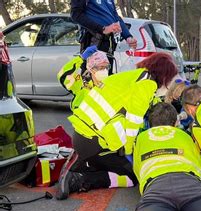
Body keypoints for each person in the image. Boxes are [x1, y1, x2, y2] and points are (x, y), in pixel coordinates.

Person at [55, 52, 178, 200]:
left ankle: (83, 163)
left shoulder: (134, 77)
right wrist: (129, 150)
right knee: (131, 176)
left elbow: (148, 102)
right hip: (96, 142)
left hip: (83, 136)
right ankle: (80, 179)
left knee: (116, 162)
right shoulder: (147, 84)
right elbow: (133, 121)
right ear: (164, 75)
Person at [71, 0, 137, 74]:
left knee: (106, 79)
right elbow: (76, 15)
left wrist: (128, 36)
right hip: (94, 42)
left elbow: (116, 17)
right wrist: (102, 29)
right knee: (91, 79)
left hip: (109, 44)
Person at [57, 45, 109, 111]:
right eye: (101, 68)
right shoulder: (81, 84)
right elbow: (62, 75)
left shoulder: (109, 85)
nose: (104, 70)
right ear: (91, 68)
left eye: (106, 67)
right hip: (81, 119)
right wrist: (81, 58)